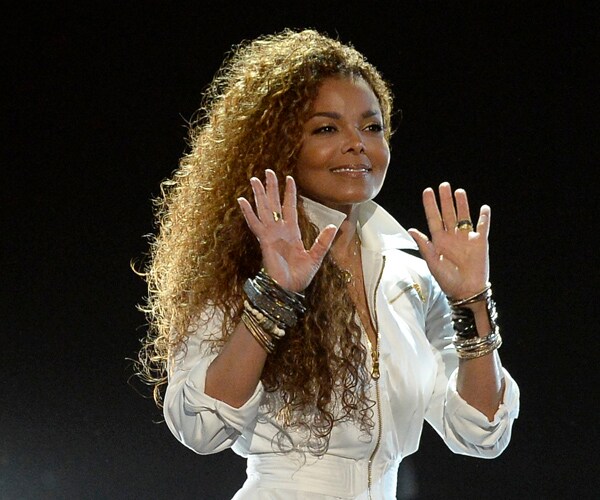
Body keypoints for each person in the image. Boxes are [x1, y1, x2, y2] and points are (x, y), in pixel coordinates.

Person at [135, 28, 520, 499]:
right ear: (280, 146)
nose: (357, 144)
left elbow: (482, 433)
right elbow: (201, 428)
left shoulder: (411, 277)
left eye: (372, 127)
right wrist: (274, 296)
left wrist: (471, 302)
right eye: (326, 128)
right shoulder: (241, 263)